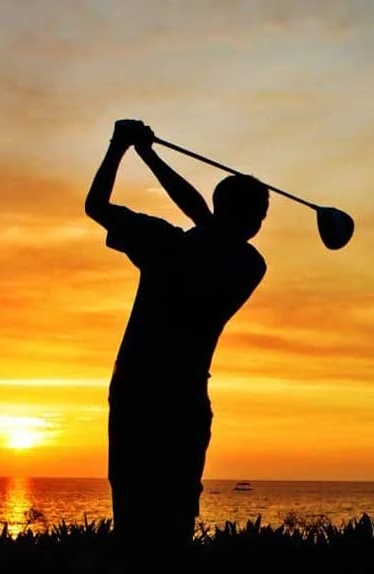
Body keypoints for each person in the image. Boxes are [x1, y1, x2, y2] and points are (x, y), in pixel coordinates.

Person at [85, 119, 268, 559]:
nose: (261, 223)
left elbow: (96, 205)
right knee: (175, 507)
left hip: (136, 389)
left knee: (132, 500)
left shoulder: (162, 243)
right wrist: (147, 154)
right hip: (184, 395)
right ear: (249, 220)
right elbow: (205, 220)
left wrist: (123, 148)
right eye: (260, 215)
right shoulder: (249, 263)